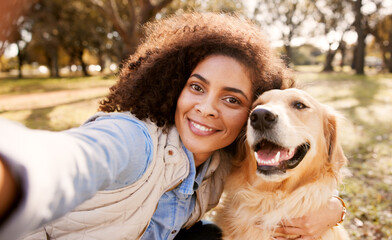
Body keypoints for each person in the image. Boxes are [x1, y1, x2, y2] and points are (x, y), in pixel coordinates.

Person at [0, 12, 345, 240]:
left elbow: (302, 174)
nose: (206, 109)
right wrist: (15, 169)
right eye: (197, 87)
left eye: (232, 100)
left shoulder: (224, 162)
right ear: (175, 85)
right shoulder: (133, 140)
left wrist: (333, 210)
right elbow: (73, 159)